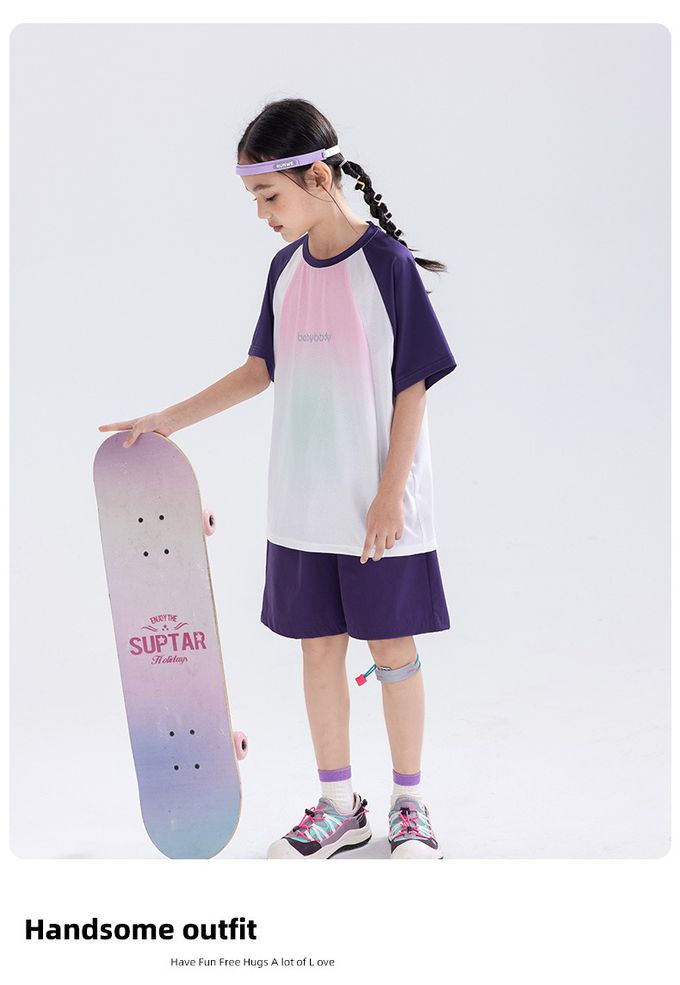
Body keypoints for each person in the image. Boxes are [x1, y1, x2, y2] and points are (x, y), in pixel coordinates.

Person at [99, 98, 457, 860]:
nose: (262, 214)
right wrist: (168, 419)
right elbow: (260, 368)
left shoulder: (387, 268)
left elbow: (413, 387)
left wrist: (390, 493)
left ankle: (411, 801)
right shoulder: (284, 272)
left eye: (268, 196)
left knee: (393, 649)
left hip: (377, 510)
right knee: (318, 650)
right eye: (255, 200)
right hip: (303, 509)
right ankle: (339, 806)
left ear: (318, 178)